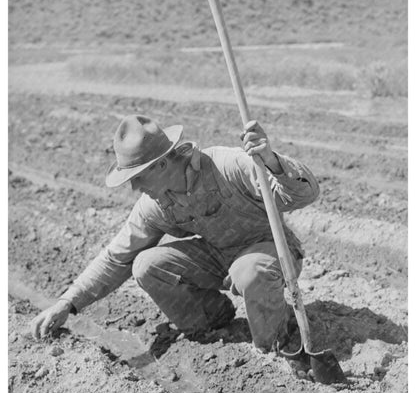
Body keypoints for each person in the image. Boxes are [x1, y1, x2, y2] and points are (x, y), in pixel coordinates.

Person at [31, 114, 319, 353]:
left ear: (162, 164)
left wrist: (271, 160)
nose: (135, 188)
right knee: (146, 265)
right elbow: (116, 257)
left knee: (251, 270)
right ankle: (211, 319)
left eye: (137, 178)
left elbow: (303, 195)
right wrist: (67, 303)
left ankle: (278, 339)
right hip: (219, 256)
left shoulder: (228, 165)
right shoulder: (155, 205)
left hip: (271, 249)